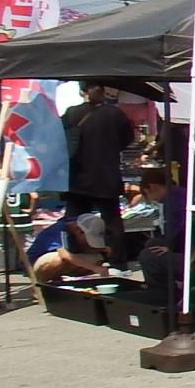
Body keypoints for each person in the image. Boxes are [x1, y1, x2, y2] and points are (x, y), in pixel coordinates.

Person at [61, 80, 134, 264]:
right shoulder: (115, 114)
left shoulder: (71, 113)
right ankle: (118, 261)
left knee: (74, 220)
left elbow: (61, 139)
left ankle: (75, 259)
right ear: (101, 91)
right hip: (106, 174)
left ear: (82, 92)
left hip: (78, 176)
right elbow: (127, 138)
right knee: (112, 221)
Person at [135, 168, 195, 294]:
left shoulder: (173, 200)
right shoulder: (181, 194)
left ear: (152, 188)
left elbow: (183, 226)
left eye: (148, 195)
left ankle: (163, 291)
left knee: (147, 256)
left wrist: (170, 246)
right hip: (193, 245)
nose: (152, 200)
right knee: (152, 244)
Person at [27, 211, 111, 284]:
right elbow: (64, 255)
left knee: (98, 257)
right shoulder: (59, 229)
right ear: (78, 230)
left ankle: (70, 281)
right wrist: (95, 268)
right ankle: (42, 284)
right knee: (57, 260)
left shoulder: (83, 223)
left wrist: (103, 250)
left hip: (66, 261)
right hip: (36, 264)